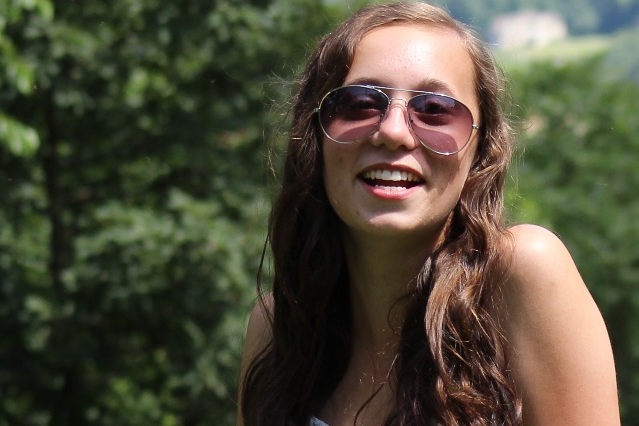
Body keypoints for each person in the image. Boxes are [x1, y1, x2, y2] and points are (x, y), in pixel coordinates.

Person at [238, 2, 618, 424]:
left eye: (436, 110)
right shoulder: (276, 332)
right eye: (360, 103)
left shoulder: (521, 275)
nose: (393, 132)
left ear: (480, 151)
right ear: (316, 134)